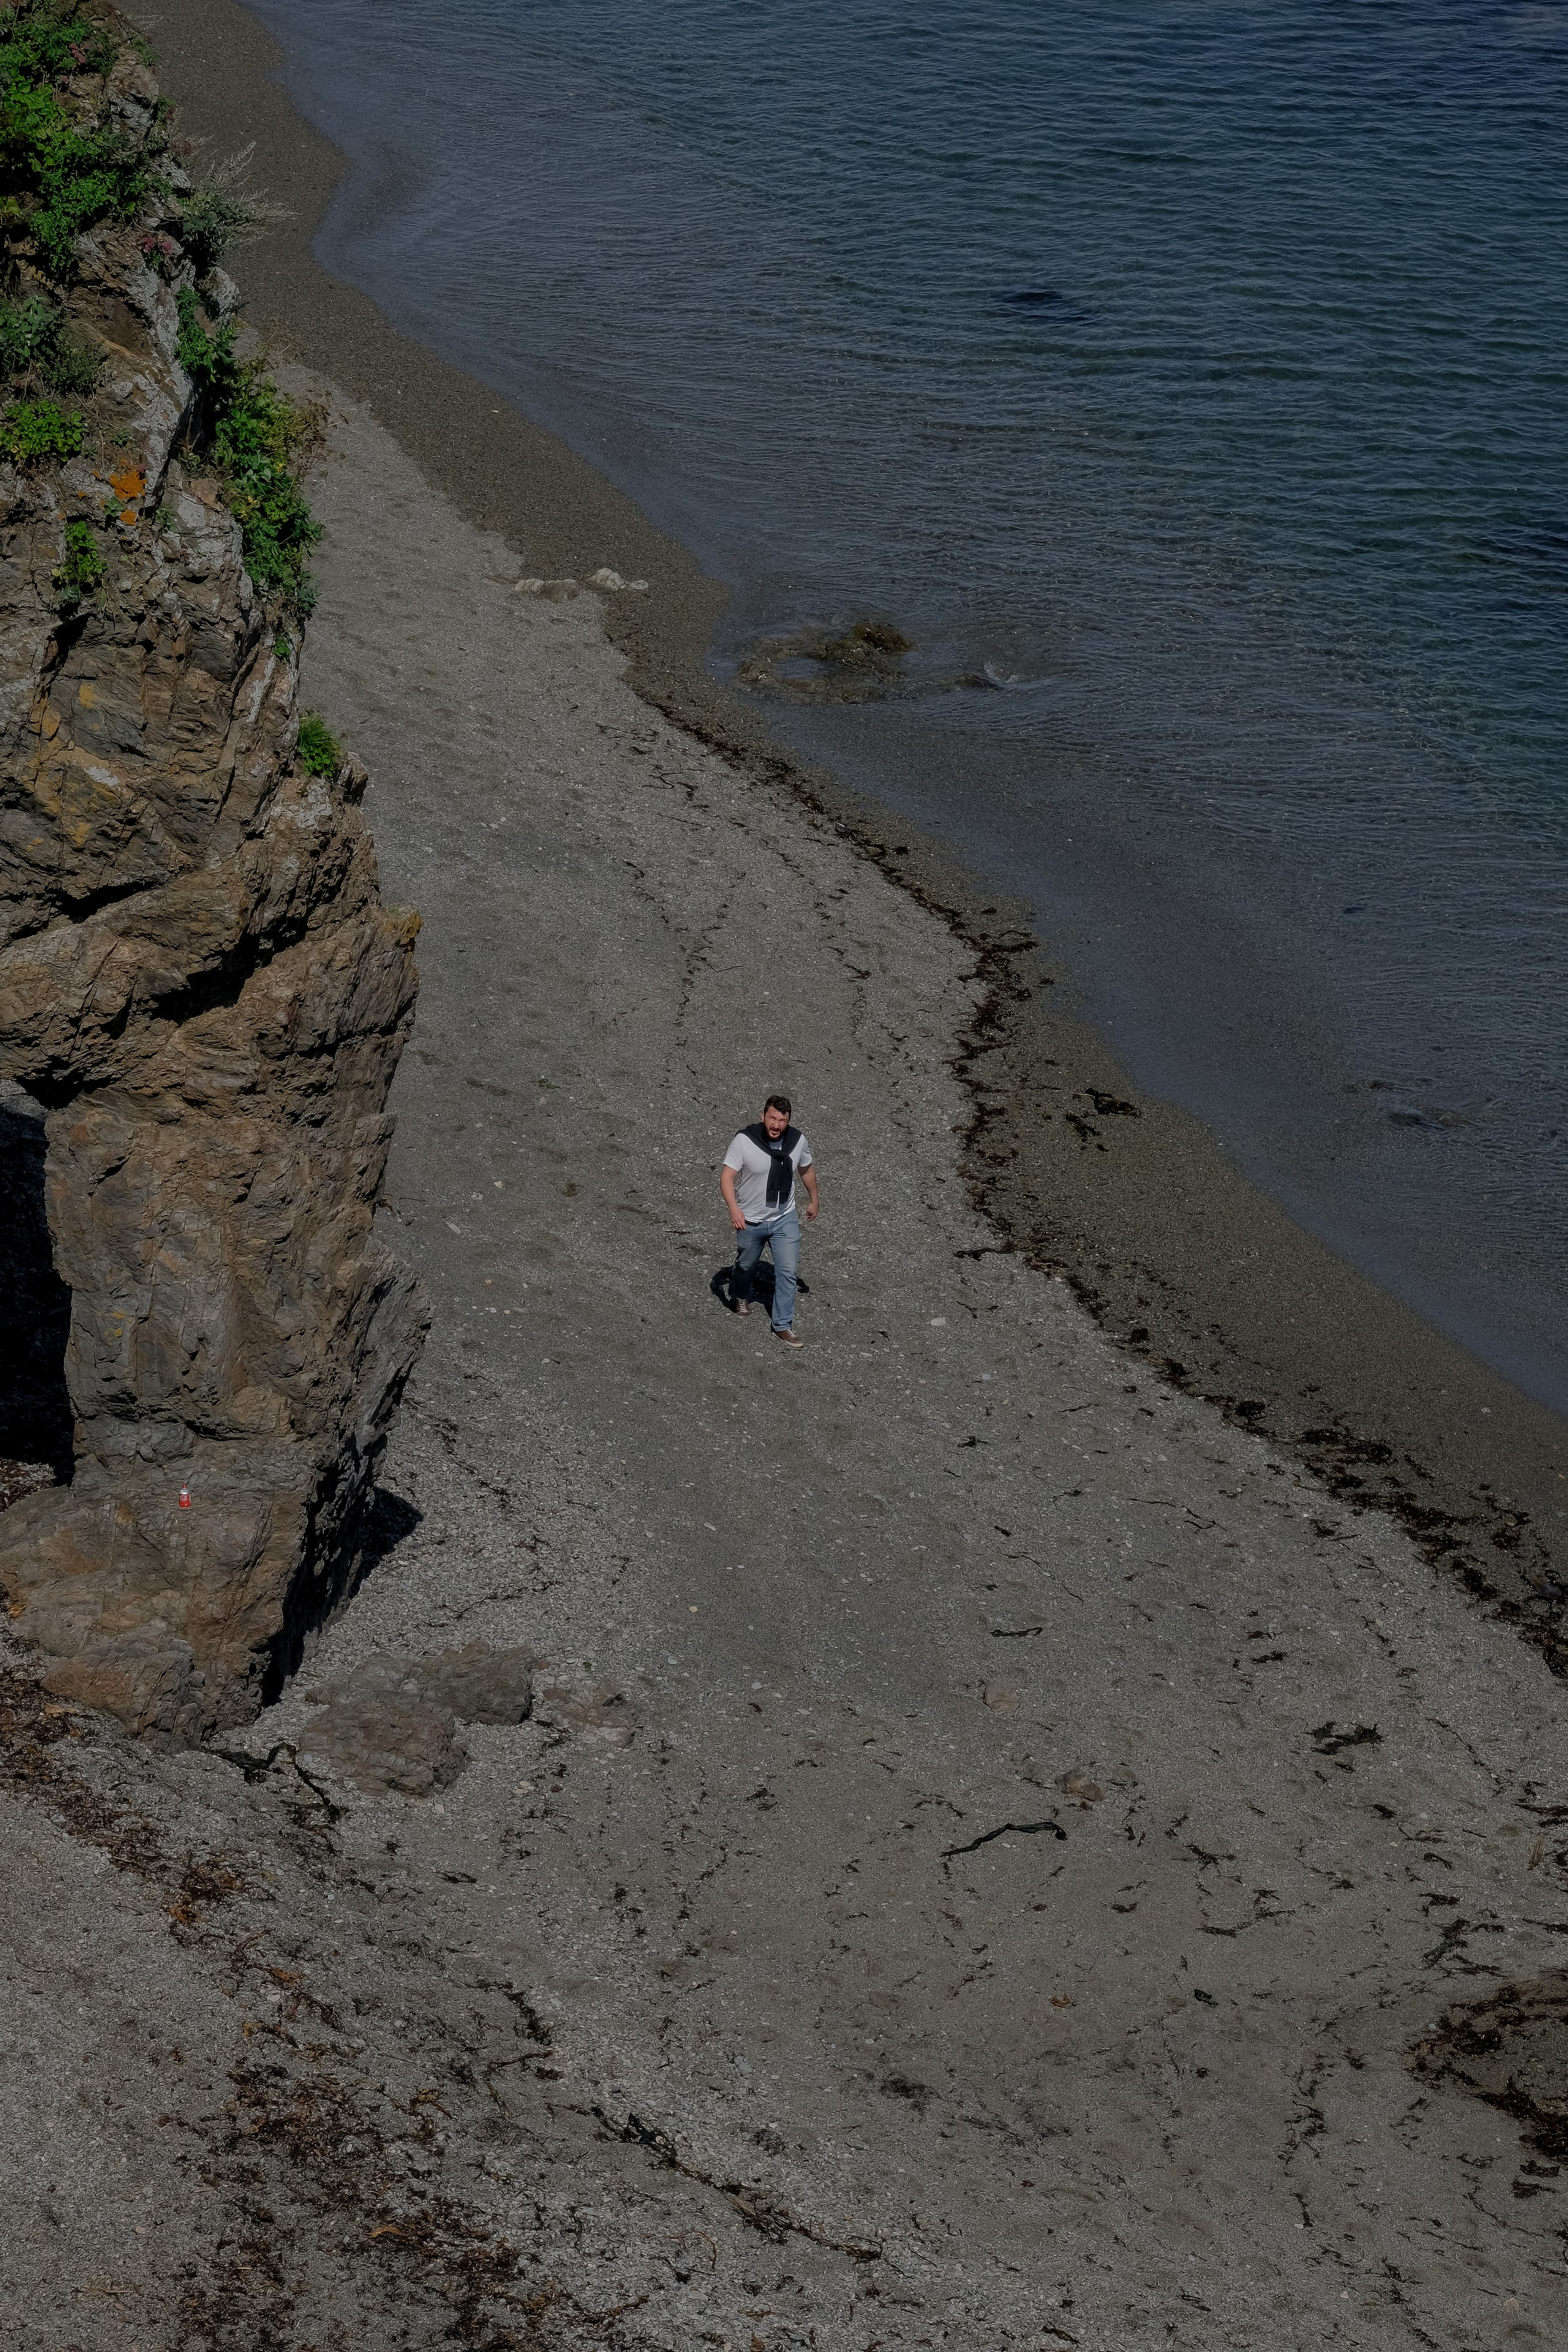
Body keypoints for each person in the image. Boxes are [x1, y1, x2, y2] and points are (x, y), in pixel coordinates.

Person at [720, 1093, 819, 1348]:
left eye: (782, 1121)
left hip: (784, 1218)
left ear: (789, 1121)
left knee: (788, 1271)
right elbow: (727, 1177)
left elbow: (806, 1169)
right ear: (763, 1116)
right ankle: (742, 1295)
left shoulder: (797, 1141)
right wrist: (734, 1209)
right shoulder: (745, 1141)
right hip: (750, 1220)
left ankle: (783, 1325)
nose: (776, 1125)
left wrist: (814, 1199)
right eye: (772, 1118)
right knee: (745, 1266)